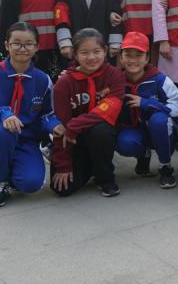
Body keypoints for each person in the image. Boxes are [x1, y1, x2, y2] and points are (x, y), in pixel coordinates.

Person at [0, 22, 63, 207]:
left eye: (28, 44)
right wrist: (3, 114)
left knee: (32, 183)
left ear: (37, 47)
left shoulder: (43, 80)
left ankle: (10, 169)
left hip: (25, 140)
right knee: (3, 132)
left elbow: (47, 114)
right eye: (16, 43)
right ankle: (0, 181)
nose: (22, 49)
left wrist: (54, 125)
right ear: (6, 45)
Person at [51, 28, 125, 197]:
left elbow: (108, 109)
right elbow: (61, 125)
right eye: (84, 53)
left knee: (101, 130)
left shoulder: (114, 76)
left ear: (105, 51)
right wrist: (63, 164)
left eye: (96, 51)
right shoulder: (64, 83)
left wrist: (75, 125)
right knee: (62, 188)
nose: (91, 57)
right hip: (73, 138)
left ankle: (105, 178)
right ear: (75, 55)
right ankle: (89, 165)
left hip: (100, 134)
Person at [116, 32, 178, 189]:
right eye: (128, 55)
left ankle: (166, 166)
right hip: (134, 129)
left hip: (162, 130)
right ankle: (143, 154)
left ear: (147, 58)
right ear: (121, 57)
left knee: (159, 120)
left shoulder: (160, 79)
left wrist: (147, 103)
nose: (133, 60)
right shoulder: (116, 80)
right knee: (125, 142)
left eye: (139, 55)